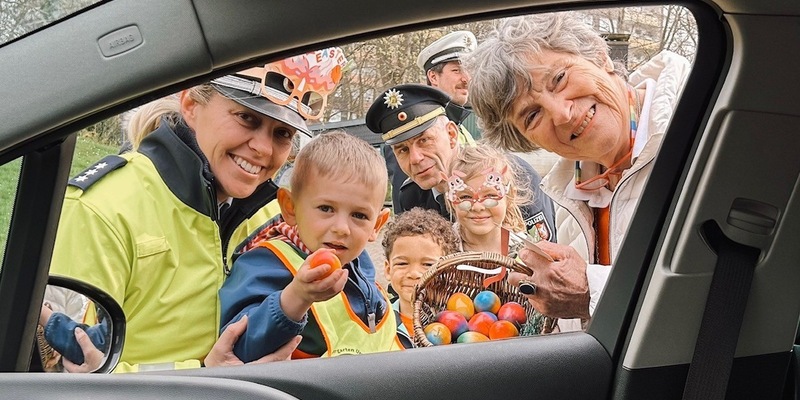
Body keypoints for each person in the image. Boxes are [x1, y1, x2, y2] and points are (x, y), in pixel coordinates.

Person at [46, 47, 348, 372]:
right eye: (247, 117)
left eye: (282, 133)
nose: (263, 148)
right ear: (190, 104)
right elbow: (70, 370)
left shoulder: (275, 214)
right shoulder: (101, 207)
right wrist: (203, 375)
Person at [463, 12, 691, 329]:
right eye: (531, 116)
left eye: (559, 78)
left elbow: (736, 291)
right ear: (527, 140)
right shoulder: (570, 197)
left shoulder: (701, 131)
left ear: (600, 57)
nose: (563, 113)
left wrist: (592, 291)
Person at [219, 131, 401, 360]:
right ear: (290, 207)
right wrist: (296, 298)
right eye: (326, 208)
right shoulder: (264, 263)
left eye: (359, 215)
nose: (342, 228)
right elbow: (237, 346)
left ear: (377, 224)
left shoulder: (360, 264)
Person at [366, 83, 556, 243]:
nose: (415, 158)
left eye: (424, 141)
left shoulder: (510, 175)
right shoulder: (411, 196)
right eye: (403, 150)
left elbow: (545, 253)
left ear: (451, 134)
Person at [384, 30, 477, 212]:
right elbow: (408, 208)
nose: (466, 79)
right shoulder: (407, 131)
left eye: (468, 70)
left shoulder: (461, 128)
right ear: (433, 77)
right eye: (457, 70)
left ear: (451, 133)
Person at [380, 207, 460, 347]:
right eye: (402, 263)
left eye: (428, 264)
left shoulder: (458, 322)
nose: (414, 274)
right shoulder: (379, 323)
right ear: (388, 269)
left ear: (448, 272)